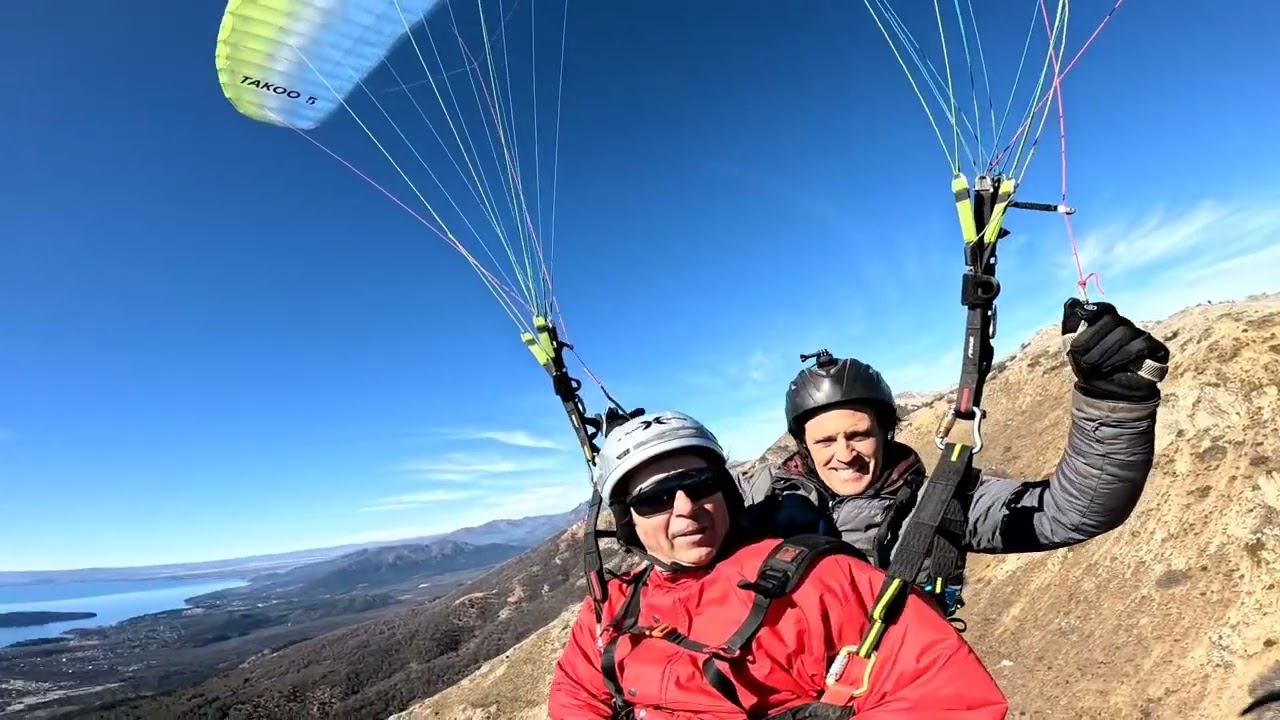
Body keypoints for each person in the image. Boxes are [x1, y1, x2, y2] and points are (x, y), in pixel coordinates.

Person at [548, 410, 1010, 720]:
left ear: (726, 493)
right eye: (656, 499)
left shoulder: (818, 579)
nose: (686, 509)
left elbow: (946, 696)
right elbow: (577, 696)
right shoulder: (609, 610)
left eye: (700, 485)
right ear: (628, 522)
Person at [736, 298, 1171, 616]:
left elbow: (1072, 512)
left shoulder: (943, 503)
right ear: (803, 448)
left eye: (859, 435)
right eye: (825, 442)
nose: (845, 454)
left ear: (886, 433)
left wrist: (1114, 400)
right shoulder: (758, 498)